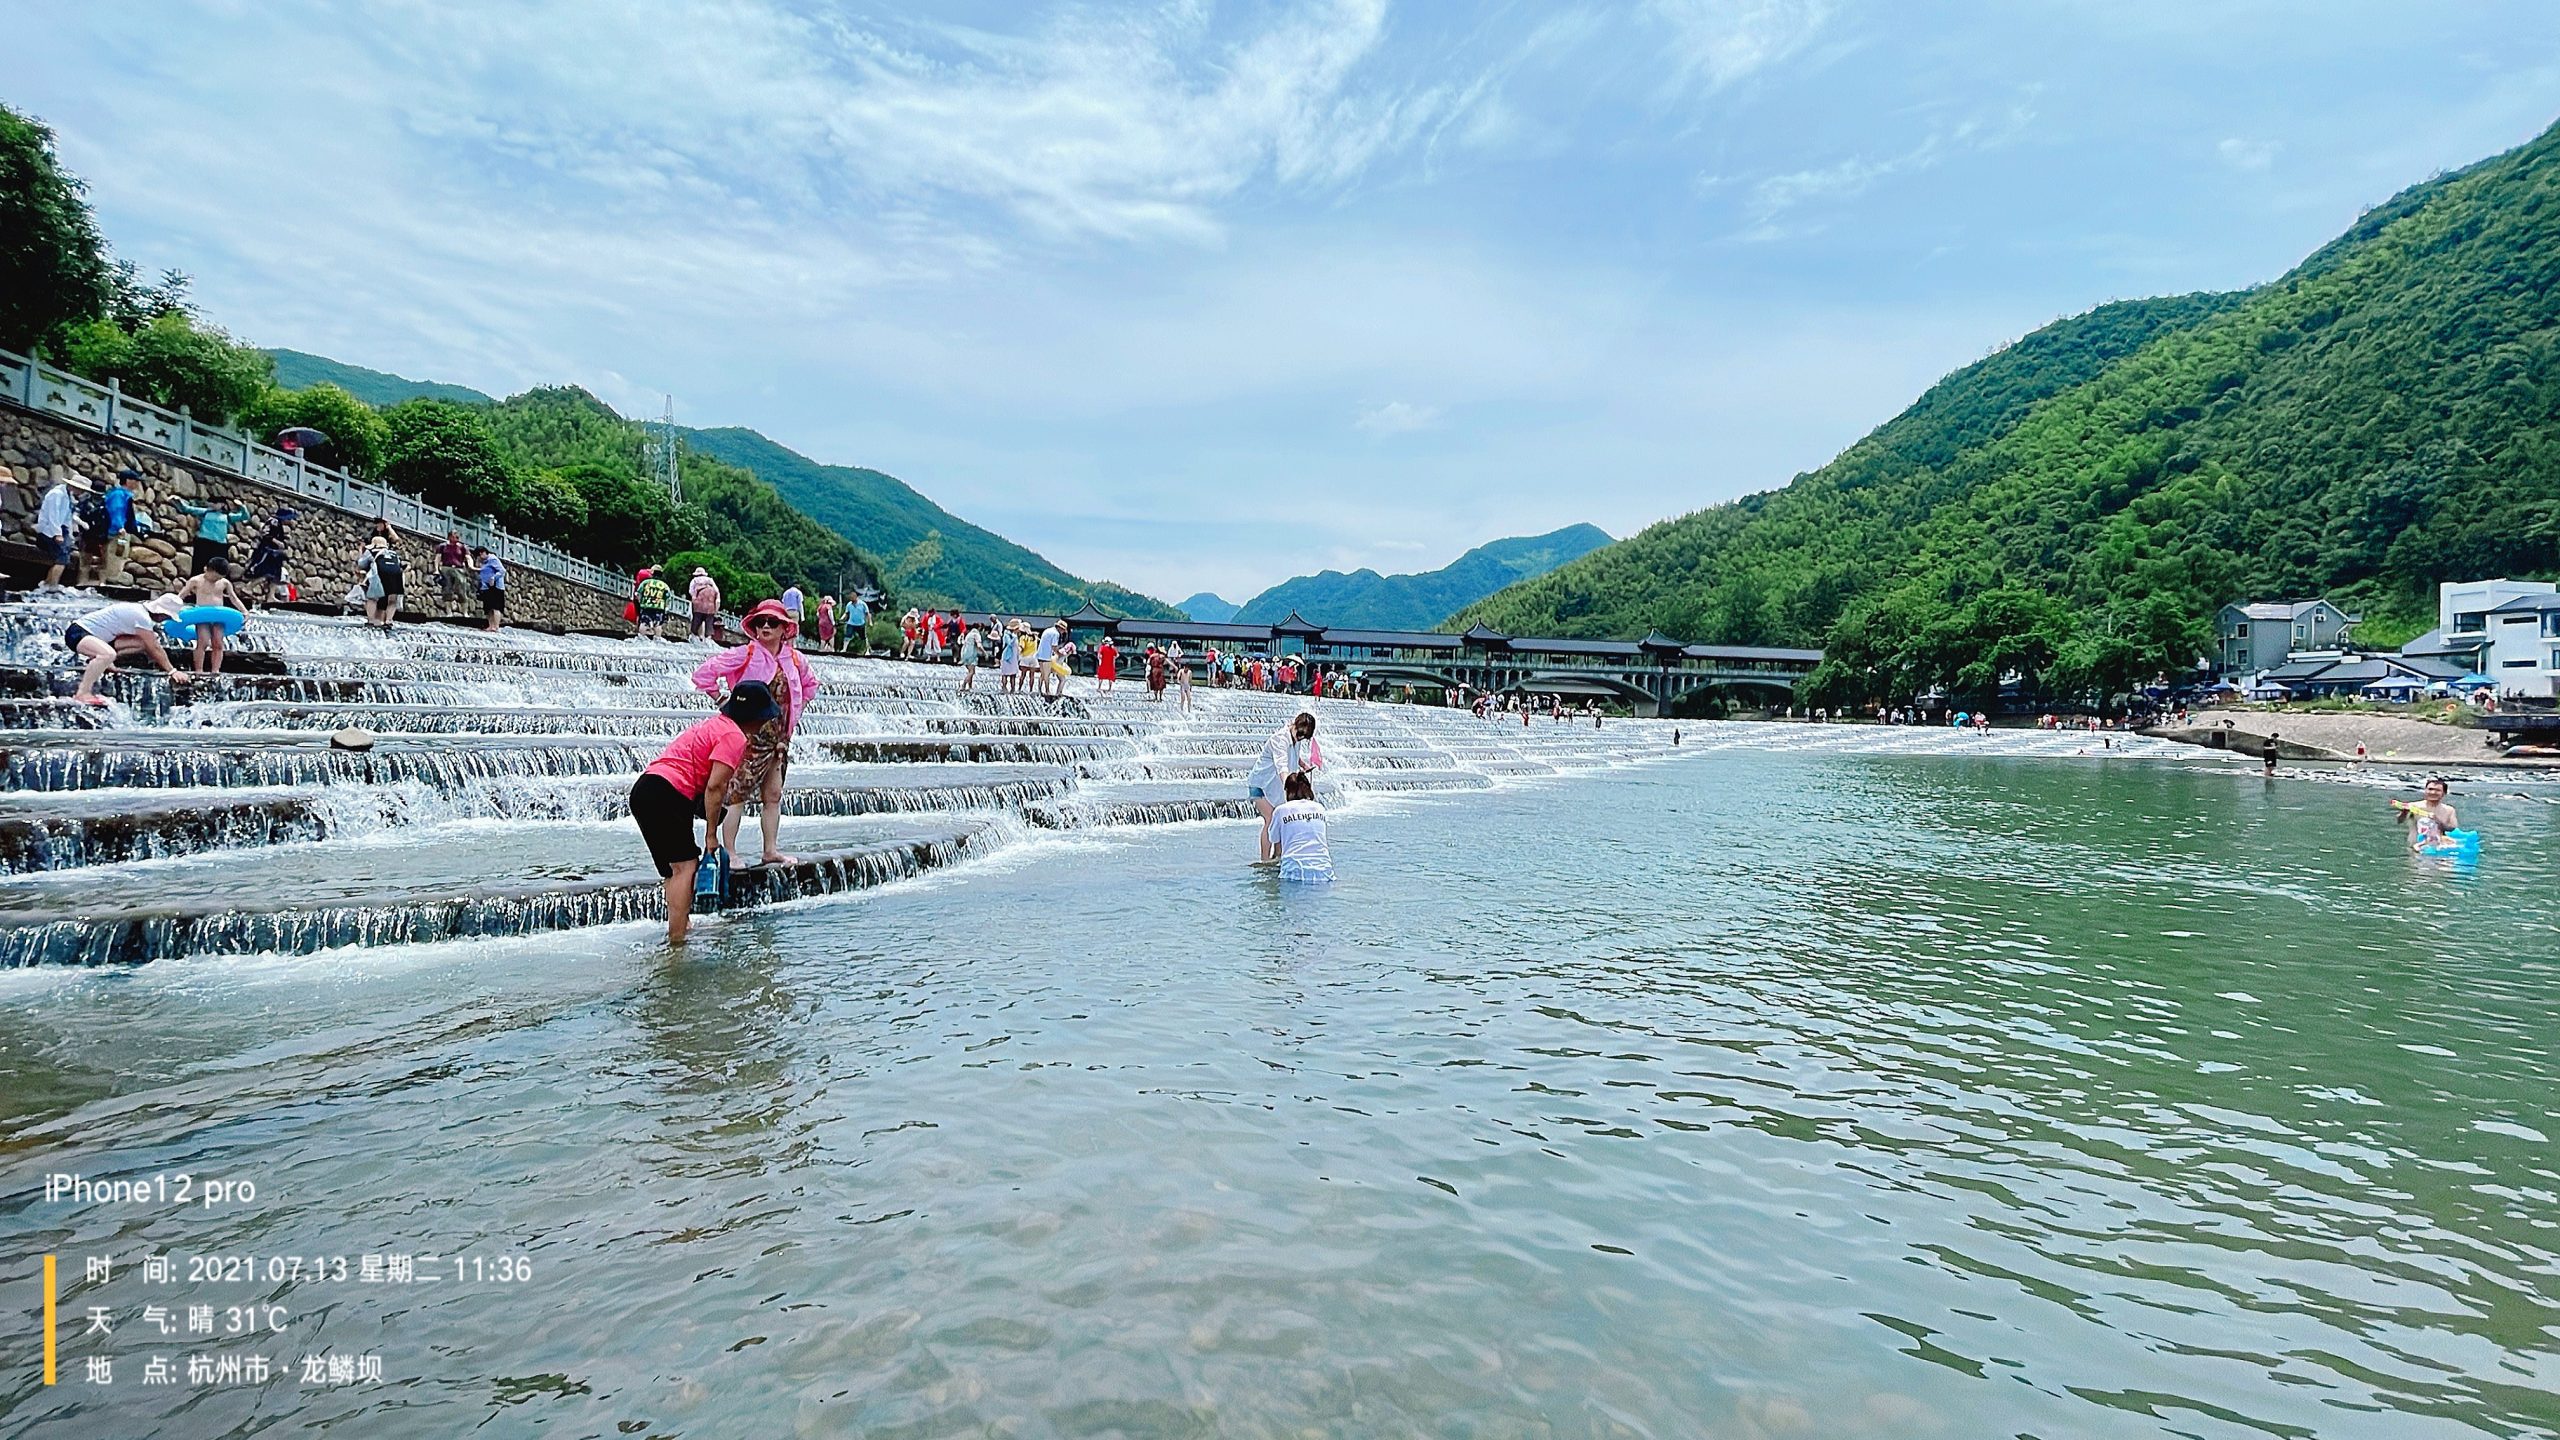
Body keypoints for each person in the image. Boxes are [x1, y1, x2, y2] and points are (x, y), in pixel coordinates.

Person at [630, 680, 782, 944]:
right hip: (668, 794)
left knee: (674, 870)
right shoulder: (734, 737)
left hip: (646, 790)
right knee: (686, 867)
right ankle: (677, 941)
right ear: (756, 717)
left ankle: (681, 926)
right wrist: (711, 835)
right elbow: (715, 787)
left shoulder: (715, 725)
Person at [694, 599, 820, 868]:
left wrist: (796, 711)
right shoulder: (746, 653)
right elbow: (704, 674)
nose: (765, 626)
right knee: (736, 793)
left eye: (772, 622)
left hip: (780, 738)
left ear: (784, 629)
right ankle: (729, 852)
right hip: (747, 736)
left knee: (773, 795)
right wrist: (722, 702)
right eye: (760, 622)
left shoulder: (795, 659)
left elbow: (810, 686)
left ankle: (770, 850)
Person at [66, 594, 189, 705]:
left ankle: (100, 661)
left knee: (142, 642)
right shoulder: (141, 616)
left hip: (102, 638)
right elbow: (155, 648)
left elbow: (150, 643)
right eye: (167, 617)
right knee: (107, 654)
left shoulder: (142, 613)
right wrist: (172, 671)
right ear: (161, 613)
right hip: (78, 633)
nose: (165, 620)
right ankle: (82, 693)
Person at [1246, 712, 1325, 862]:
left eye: (1304, 737)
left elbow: (1295, 755)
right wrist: (1289, 786)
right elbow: (1281, 765)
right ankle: (1265, 860)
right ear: (1295, 725)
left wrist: (1303, 765)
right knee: (1270, 820)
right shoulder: (1280, 739)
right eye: (1300, 734)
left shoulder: (1297, 737)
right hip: (1261, 785)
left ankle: (1278, 856)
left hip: (1276, 787)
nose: (1301, 738)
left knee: (1280, 821)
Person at [1262, 770, 1333, 883]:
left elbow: (1274, 840)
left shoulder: (1281, 810)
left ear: (1287, 791)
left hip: (1293, 872)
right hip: (1324, 871)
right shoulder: (1320, 808)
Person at [176, 559, 242, 674]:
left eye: (218, 578)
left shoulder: (224, 583)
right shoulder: (196, 580)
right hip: (202, 616)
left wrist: (244, 611)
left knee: (218, 643)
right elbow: (181, 595)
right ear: (206, 569)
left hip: (219, 616)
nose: (216, 580)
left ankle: (215, 670)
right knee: (203, 642)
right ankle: (199, 670)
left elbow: (233, 598)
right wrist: (171, 609)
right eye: (214, 577)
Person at [176, 496, 255, 574]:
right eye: (211, 502)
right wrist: (178, 500)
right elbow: (187, 508)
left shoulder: (227, 516)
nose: (212, 504)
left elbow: (245, 516)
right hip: (203, 542)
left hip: (220, 545)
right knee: (199, 566)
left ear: (222, 504)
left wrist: (241, 506)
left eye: (215, 503)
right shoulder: (205, 512)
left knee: (219, 568)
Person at [87, 468, 139, 586]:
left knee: (113, 558)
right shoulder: (119, 495)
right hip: (116, 532)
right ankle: (110, 582)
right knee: (114, 558)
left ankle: (106, 581)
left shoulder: (121, 494)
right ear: (128, 481)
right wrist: (119, 527)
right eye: (135, 480)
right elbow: (116, 510)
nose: (137, 483)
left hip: (116, 530)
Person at [35, 470, 85, 588]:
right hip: (48, 531)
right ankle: (52, 585)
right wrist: (57, 533)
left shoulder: (67, 496)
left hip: (60, 529)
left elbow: (67, 517)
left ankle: (48, 583)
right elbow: (53, 515)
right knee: (62, 558)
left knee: (63, 556)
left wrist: (70, 534)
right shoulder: (57, 494)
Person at [243, 510, 295, 606]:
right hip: (268, 551)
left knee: (275, 574)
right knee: (266, 572)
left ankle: (271, 596)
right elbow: (265, 533)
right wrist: (277, 542)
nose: (290, 520)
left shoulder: (279, 523)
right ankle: (248, 587)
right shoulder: (273, 521)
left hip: (275, 553)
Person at [2394, 777, 2461, 851]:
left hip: (2439, 849)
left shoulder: (2449, 810)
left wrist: (2437, 820)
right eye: (2430, 789)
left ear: (2444, 793)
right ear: (2425, 790)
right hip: (2415, 847)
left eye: (2437, 790)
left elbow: (2453, 829)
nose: (2433, 792)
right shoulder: (2413, 806)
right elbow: (2399, 821)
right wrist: (2404, 812)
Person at [360, 535, 405, 629]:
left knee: (372, 598)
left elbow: (361, 563)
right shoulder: (394, 553)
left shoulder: (371, 551)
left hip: (380, 575)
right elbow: (400, 564)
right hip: (396, 576)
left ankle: (371, 621)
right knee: (392, 600)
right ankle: (388, 620)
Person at [635, 567, 675, 640]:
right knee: (658, 624)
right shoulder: (665, 586)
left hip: (646, 606)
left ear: (652, 573)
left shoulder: (645, 583)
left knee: (644, 623)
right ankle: (658, 639)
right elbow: (668, 598)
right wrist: (665, 607)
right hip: (659, 607)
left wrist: (641, 602)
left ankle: (641, 638)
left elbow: (637, 594)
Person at [474, 547, 507, 631]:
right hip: (486, 587)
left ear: (483, 553)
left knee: (496, 607)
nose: (479, 558)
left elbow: (502, 571)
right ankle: (490, 625)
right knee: (488, 608)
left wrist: (493, 578)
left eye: (479, 556)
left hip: (496, 587)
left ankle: (496, 626)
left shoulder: (493, 559)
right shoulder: (484, 562)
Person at [688, 567, 722, 641]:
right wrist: (716, 609)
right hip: (710, 607)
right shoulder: (710, 580)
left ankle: (695, 637)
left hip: (698, 606)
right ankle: (707, 639)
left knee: (696, 621)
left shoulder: (694, 581)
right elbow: (717, 592)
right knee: (709, 624)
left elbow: (691, 592)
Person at [436, 531, 470, 605]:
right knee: (447, 591)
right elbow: (438, 558)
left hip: (458, 569)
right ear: (450, 537)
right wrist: (436, 569)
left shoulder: (462, 547)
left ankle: (465, 612)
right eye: (455, 536)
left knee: (462, 590)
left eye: (458, 537)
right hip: (446, 568)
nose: (457, 538)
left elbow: (468, 557)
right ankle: (449, 612)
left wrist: (471, 565)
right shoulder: (443, 546)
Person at [957, 622, 982, 690]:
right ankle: (963, 685)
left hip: (964, 654)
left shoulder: (969, 634)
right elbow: (979, 645)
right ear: (979, 628)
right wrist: (984, 652)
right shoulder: (976, 634)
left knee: (970, 671)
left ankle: (970, 686)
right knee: (972, 672)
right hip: (971, 654)